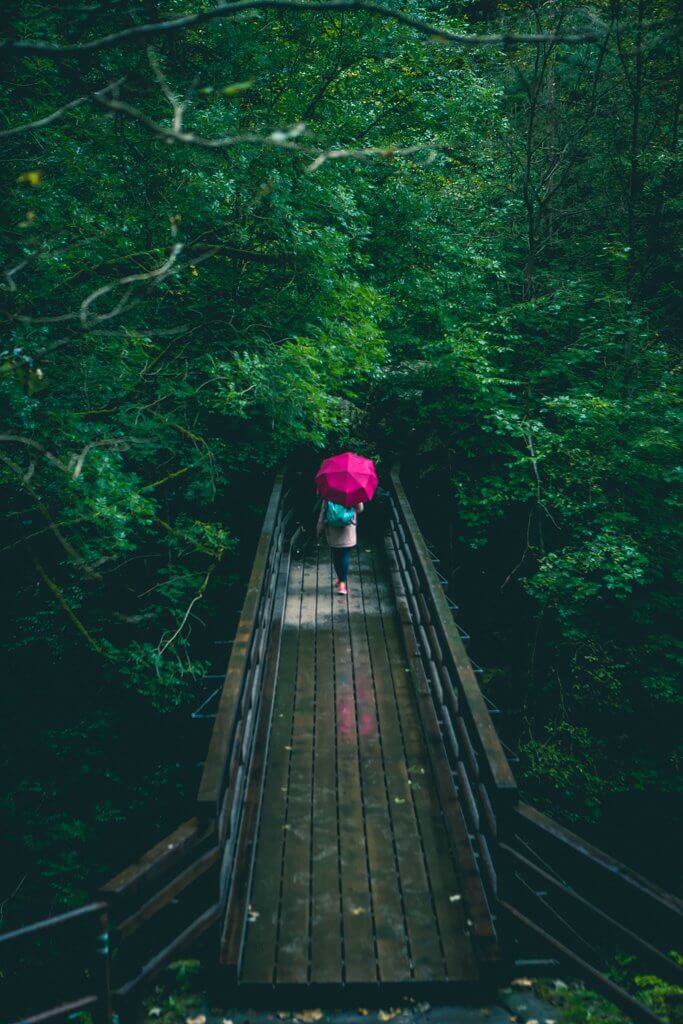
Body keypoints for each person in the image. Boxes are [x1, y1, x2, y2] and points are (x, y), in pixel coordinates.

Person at [316, 498, 364, 595]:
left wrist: (319, 527)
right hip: (348, 529)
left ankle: (340, 578)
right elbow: (360, 509)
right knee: (344, 555)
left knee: (336, 555)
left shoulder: (330, 491)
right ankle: (342, 582)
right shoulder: (353, 491)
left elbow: (324, 510)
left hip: (333, 529)